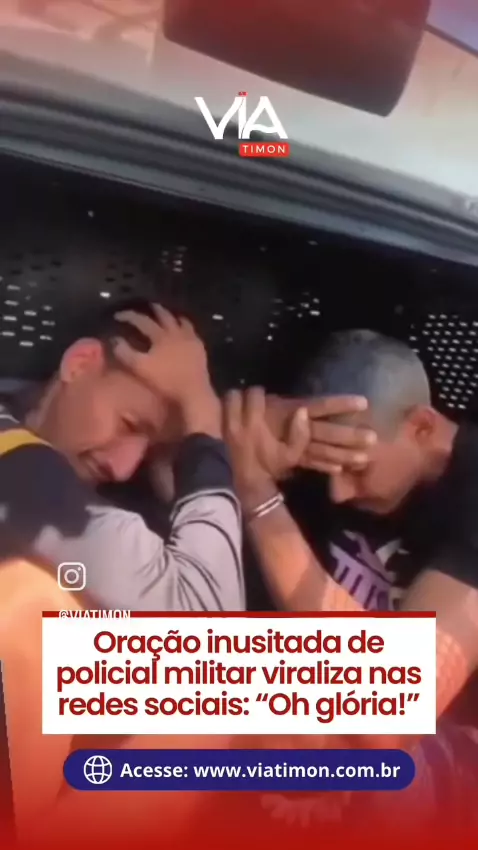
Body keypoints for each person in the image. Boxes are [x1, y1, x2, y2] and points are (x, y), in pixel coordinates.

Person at [223, 329, 478, 826]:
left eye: (357, 470)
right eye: (329, 470)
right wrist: (247, 427)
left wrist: (258, 496)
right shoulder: (333, 458)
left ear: (422, 427)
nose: (338, 493)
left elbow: (392, 707)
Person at [0, 301, 373, 612]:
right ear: (81, 363)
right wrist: (205, 425)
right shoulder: (15, 466)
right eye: (130, 424)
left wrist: (228, 452)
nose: (123, 468)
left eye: (153, 449)